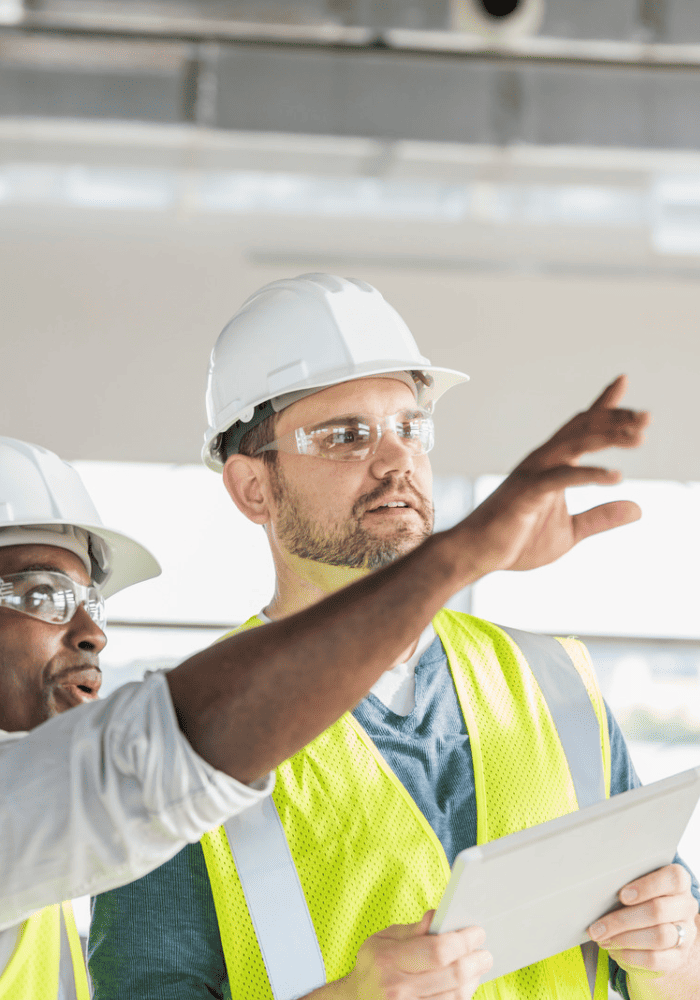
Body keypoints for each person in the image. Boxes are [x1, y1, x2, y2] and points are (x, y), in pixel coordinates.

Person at [88, 274, 699, 1000]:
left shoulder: (553, 680)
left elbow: (670, 968)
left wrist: (671, 953)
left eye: (409, 427)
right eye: (346, 436)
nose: (395, 461)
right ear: (254, 488)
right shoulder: (179, 736)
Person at [2, 431, 616, 999]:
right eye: (41, 596)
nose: (91, 633)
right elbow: (165, 747)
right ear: (253, 486)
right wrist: (461, 555)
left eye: (92, 604)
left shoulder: (551, 678)